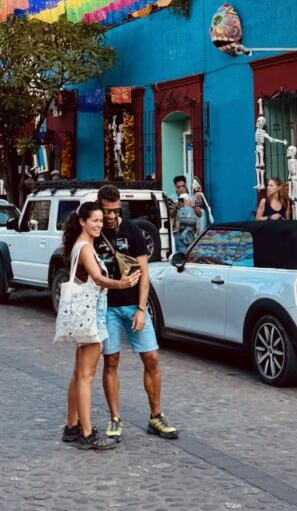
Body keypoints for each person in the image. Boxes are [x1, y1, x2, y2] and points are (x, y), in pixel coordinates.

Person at [95, 183, 179, 443]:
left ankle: (156, 415)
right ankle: (115, 418)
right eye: (105, 211)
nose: (110, 216)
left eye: (114, 210)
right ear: (99, 207)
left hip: (133, 304)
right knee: (111, 361)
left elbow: (144, 273)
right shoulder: (93, 231)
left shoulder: (132, 231)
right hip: (106, 306)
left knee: (151, 358)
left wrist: (142, 309)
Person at [62, 201, 141, 452]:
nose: (99, 224)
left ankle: (72, 426)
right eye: (94, 220)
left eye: (100, 220)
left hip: (85, 314)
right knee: (86, 377)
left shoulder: (82, 245)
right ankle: (86, 433)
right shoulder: (85, 247)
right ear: (83, 222)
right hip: (91, 316)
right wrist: (123, 283)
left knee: (78, 374)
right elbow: (97, 278)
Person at [170, 174, 201, 253]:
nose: (181, 189)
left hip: (192, 234)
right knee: (182, 256)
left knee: (192, 256)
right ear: (175, 187)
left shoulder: (193, 198)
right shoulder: (172, 199)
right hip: (179, 233)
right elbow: (171, 215)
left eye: (183, 186)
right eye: (178, 187)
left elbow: (199, 214)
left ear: (186, 185)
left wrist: (193, 205)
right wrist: (176, 207)